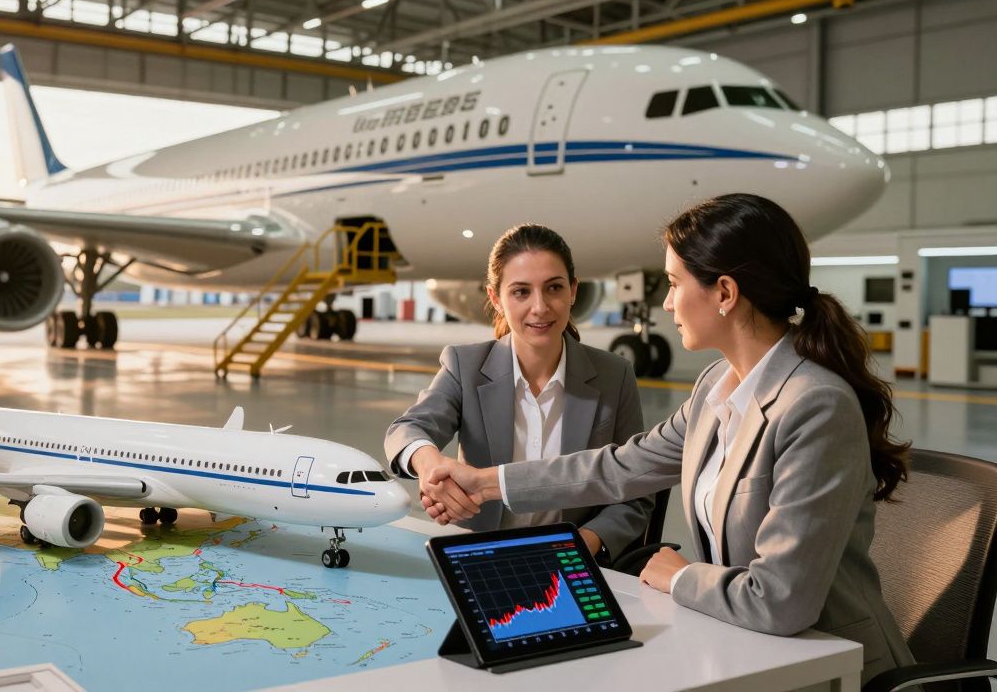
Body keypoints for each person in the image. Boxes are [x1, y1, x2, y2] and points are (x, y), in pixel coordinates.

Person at [421, 194, 914, 684]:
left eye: (676, 283)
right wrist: (486, 483)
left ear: (724, 293)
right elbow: (617, 467)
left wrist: (679, 576)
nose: (667, 301)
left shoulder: (814, 405)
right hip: (744, 645)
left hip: (829, 665)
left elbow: (780, 600)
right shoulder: (714, 388)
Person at [385, 223, 652, 564]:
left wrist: (586, 541)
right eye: (521, 292)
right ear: (496, 298)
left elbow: (636, 491)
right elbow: (406, 429)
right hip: (481, 555)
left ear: (573, 290)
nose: (540, 307)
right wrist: (429, 466)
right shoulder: (464, 365)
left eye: (554, 288)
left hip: (569, 562)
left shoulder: (615, 375)